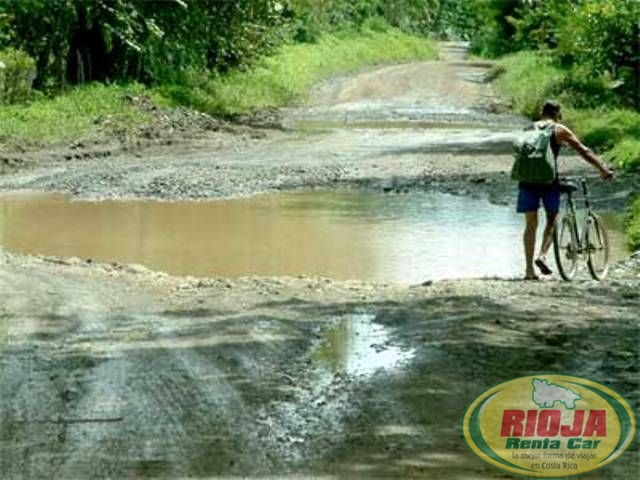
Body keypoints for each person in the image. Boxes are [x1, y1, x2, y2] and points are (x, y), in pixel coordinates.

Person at [517, 100, 614, 280]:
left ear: (541, 112)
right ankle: (543, 255)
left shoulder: (528, 129)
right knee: (552, 219)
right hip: (548, 181)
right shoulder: (559, 129)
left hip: (526, 181)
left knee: (530, 225)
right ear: (557, 114)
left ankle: (529, 271)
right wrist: (603, 169)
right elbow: (583, 151)